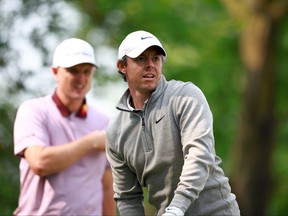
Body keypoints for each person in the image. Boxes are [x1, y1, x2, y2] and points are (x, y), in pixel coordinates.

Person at [105, 30, 241, 216]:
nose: (150, 65)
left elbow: (199, 155)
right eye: (141, 59)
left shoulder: (185, 96)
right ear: (122, 66)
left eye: (156, 58)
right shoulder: (115, 132)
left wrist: (178, 207)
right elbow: (127, 197)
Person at [13, 38, 115, 215]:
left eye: (87, 71)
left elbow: (107, 186)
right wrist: (90, 142)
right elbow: (40, 162)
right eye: (73, 71)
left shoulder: (104, 122)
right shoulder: (33, 111)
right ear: (55, 72)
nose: (81, 79)